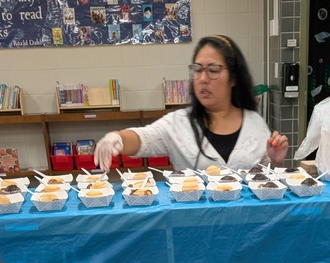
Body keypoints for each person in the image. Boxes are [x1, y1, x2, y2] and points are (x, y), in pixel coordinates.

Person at [94, 35, 288, 172]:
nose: (202, 78)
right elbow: (143, 138)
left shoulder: (255, 124)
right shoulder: (179, 123)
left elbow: (266, 180)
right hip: (193, 219)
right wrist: (117, 138)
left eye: (213, 70)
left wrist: (276, 161)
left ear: (234, 77)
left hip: (246, 219)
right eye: (197, 69)